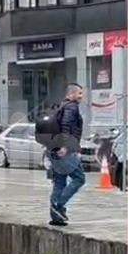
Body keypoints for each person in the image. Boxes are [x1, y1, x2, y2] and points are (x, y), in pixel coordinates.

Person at [49, 84, 86, 226]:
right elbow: (66, 125)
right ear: (71, 94)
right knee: (79, 178)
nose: (81, 96)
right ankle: (59, 205)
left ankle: (55, 217)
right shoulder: (71, 107)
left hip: (53, 149)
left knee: (59, 182)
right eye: (79, 93)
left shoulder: (60, 106)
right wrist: (65, 146)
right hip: (65, 151)